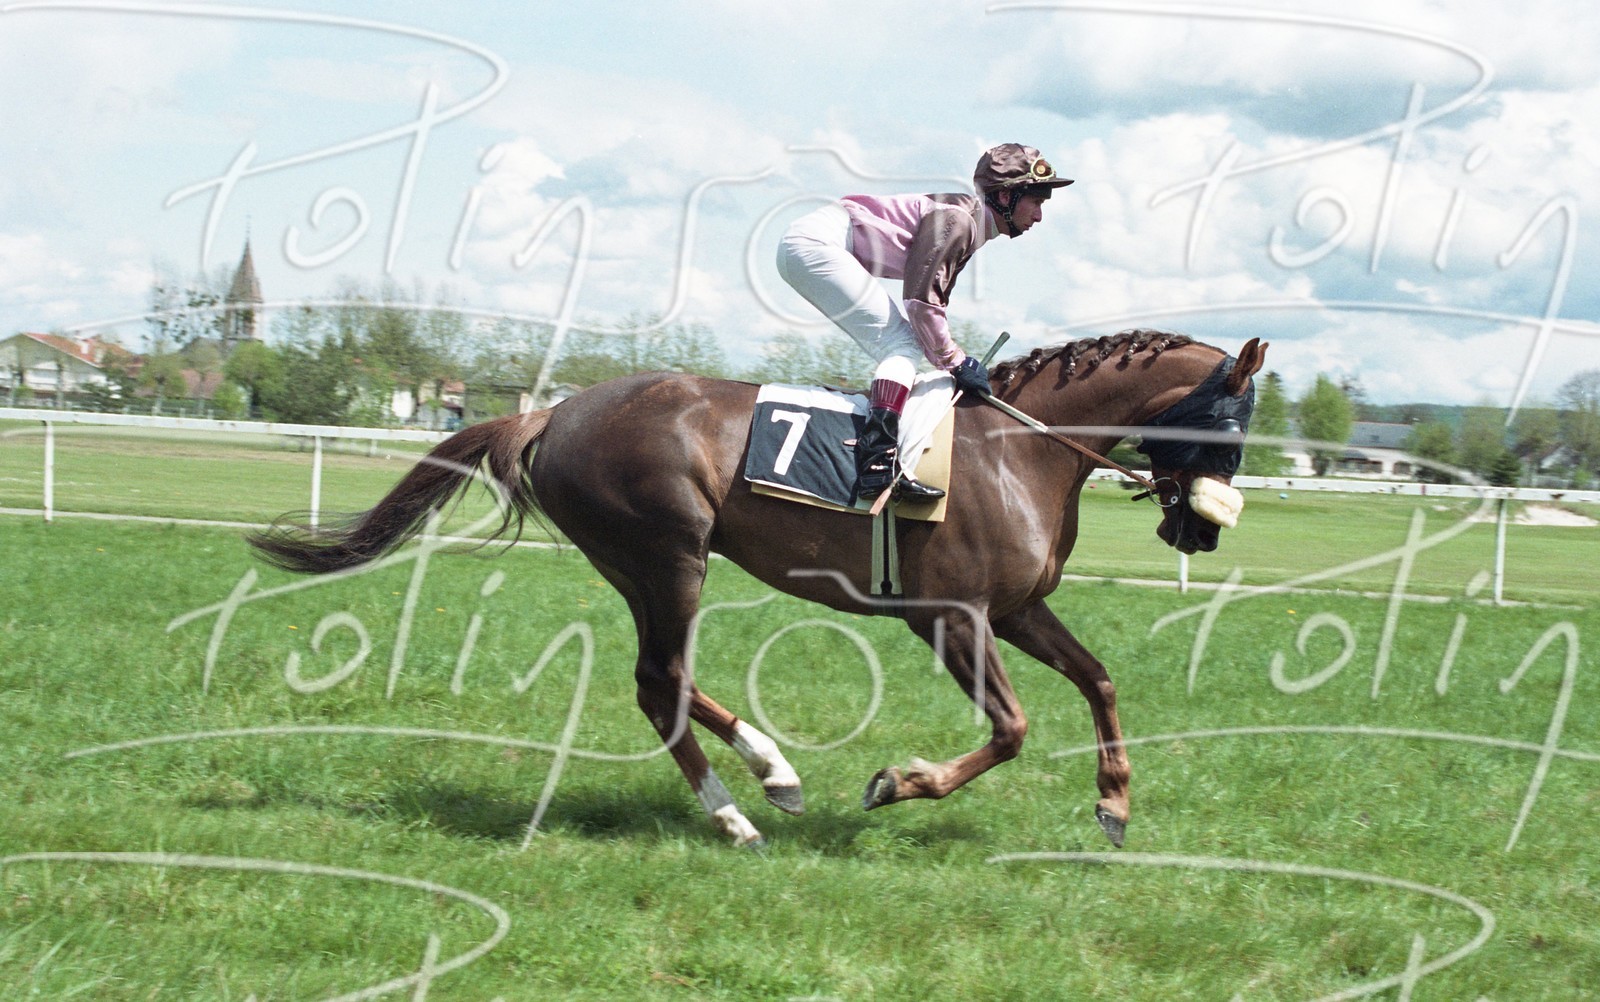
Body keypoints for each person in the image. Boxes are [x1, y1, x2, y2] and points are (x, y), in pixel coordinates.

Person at [776, 143, 1073, 501]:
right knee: (903, 345)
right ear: (1007, 195)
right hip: (817, 243)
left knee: (906, 344)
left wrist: (951, 359)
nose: (1039, 216)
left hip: (813, 243)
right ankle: (876, 462)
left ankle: (879, 454)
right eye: (1037, 202)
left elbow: (931, 305)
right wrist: (956, 362)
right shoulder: (959, 221)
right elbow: (920, 304)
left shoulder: (968, 223)